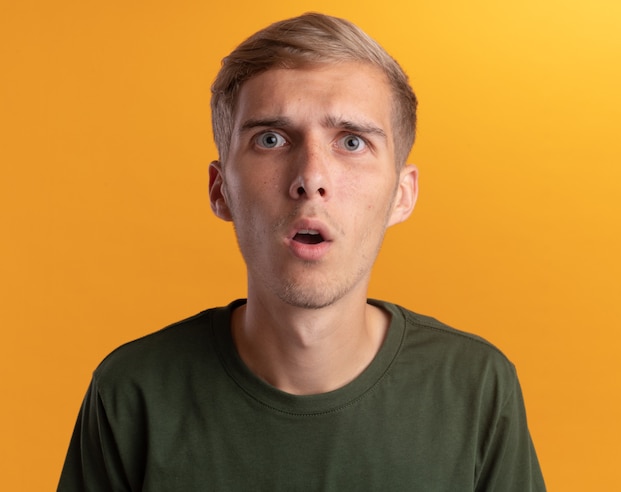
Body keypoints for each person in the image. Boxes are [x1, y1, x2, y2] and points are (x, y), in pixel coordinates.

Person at [58, 12, 546, 491]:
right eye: (271, 139)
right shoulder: (131, 393)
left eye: (352, 142)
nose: (310, 178)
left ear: (402, 194)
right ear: (220, 189)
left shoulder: (477, 387)